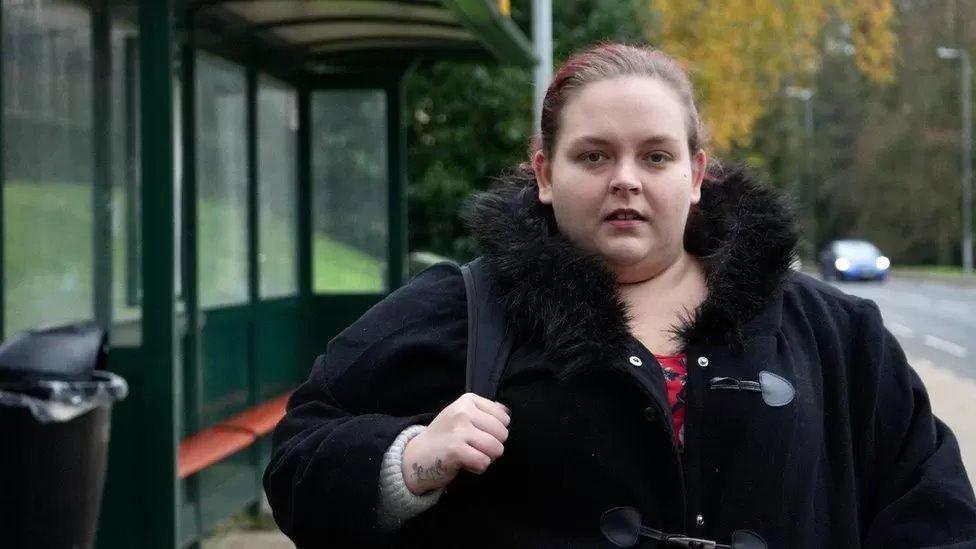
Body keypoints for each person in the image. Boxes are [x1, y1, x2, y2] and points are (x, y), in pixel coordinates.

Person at [263, 42, 976, 548]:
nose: (626, 179)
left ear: (698, 174)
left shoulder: (833, 332)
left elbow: (932, 506)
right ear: (544, 172)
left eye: (656, 156)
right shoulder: (465, 310)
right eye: (594, 155)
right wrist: (411, 458)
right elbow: (297, 460)